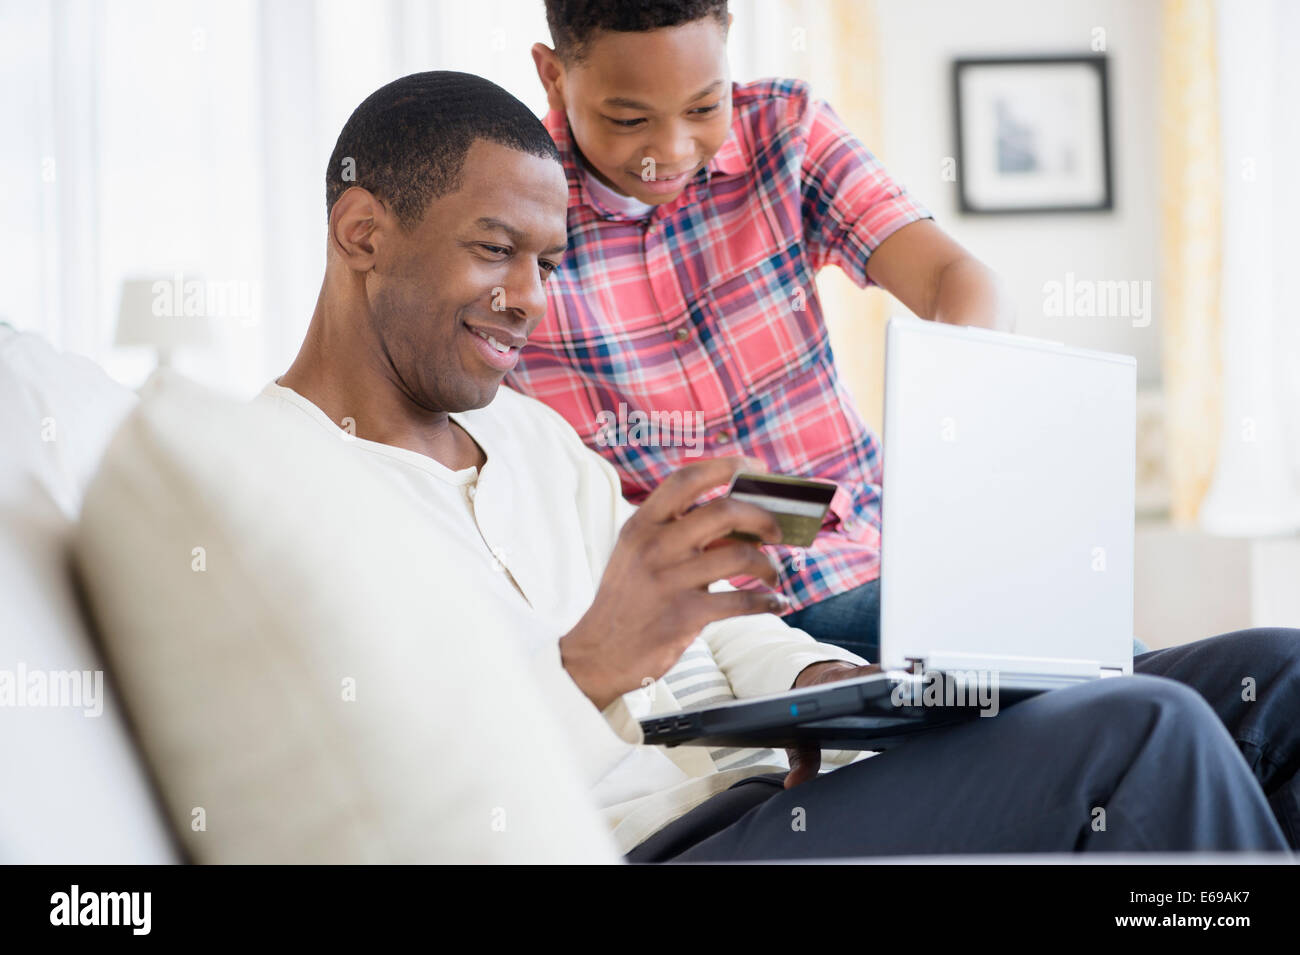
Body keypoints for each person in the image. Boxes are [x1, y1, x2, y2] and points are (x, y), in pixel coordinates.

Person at [260, 70, 1298, 861]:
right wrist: (589, 668)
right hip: (659, 841)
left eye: (547, 260)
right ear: (361, 233)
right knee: (1142, 733)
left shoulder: (530, 438)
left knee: (1275, 679)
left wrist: (824, 681)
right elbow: (375, 806)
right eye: (496, 250)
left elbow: (717, 639)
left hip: (778, 778)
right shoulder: (270, 488)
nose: (531, 298)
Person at [508, 0, 1133, 660]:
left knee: (1178, 677)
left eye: (703, 107)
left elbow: (961, 281)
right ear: (552, 77)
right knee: (1111, 679)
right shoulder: (511, 201)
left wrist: (956, 414)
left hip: (874, 547)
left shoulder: (782, 128)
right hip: (711, 599)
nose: (672, 150)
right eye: (628, 119)